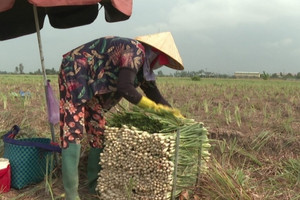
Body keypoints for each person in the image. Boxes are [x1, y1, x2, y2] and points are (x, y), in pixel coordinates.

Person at [58, 32, 184, 200]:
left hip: (93, 83)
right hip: (76, 70)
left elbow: (156, 95)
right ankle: (71, 195)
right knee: (74, 128)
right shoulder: (135, 51)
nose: (161, 65)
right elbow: (125, 87)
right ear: (155, 53)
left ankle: (94, 185)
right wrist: (151, 107)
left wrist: (173, 114)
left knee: (98, 129)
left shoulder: (142, 68)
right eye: (162, 61)